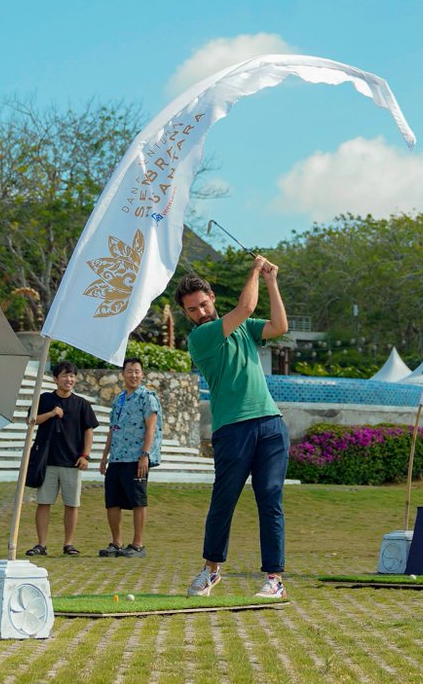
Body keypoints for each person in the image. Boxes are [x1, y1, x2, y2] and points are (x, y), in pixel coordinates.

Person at [174, 255, 290, 599]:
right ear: (187, 314)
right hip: (232, 430)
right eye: (193, 309)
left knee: (270, 499)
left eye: (204, 304)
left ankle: (274, 579)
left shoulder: (243, 326)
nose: (201, 312)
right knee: (224, 501)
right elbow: (245, 306)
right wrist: (255, 270)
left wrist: (272, 281)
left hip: (270, 424)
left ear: (212, 299)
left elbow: (279, 327)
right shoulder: (202, 338)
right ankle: (210, 571)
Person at [25, 361, 98, 558]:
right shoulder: (45, 399)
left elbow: (88, 431)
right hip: (47, 461)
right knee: (44, 502)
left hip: (73, 461)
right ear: (56, 379)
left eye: (72, 375)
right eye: (65, 375)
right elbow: (31, 421)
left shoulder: (82, 404)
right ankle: (41, 544)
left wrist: (85, 456)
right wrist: (50, 413)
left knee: (72, 504)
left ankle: (68, 544)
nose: (69, 379)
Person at [98, 357, 162, 558]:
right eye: (129, 371)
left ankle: (137, 545)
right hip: (117, 458)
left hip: (137, 458)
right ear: (122, 374)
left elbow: (151, 427)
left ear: (142, 374)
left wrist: (145, 454)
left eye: (137, 371)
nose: (133, 375)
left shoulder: (147, 397)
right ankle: (116, 543)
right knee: (112, 501)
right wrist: (104, 456)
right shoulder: (119, 399)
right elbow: (112, 430)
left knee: (137, 501)